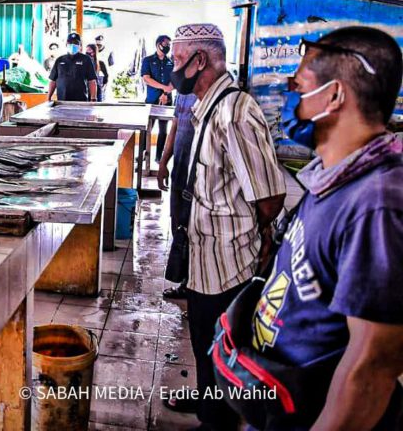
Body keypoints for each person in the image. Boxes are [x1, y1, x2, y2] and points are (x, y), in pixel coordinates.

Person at [246, 27, 403, 430]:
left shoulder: (378, 204)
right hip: (282, 401)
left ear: (334, 96)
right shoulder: (334, 177)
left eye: (300, 85)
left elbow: (371, 368)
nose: (290, 96)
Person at [166, 23, 286, 430]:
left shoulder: (235, 111)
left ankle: (218, 419)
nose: (173, 68)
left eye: (178, 60)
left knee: (222, 345)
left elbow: (269, 198)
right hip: (206, 257)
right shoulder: (208, 108)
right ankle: (207, 403)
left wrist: (249, 235)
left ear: (200, 60)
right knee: (203, 341)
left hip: (229, 261)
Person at [156, 92, 198, 300]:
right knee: (178, 228)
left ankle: (198, 288)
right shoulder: (182, 94)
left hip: (199, 179)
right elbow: (174, 128)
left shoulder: (210, 95)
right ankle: (186, 282)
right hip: (179, 172)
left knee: (197, 233)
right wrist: (163, 162)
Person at [141, 35, 174, 163]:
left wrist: (166, 92)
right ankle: (143, 154)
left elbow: (174, 80)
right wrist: (163, 88)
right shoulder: (148, 60)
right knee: (147, 128)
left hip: (166, 100)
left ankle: (159, 157)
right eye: (165, 44)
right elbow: (147, 78)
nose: (167, 47)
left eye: (169, 45)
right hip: (151, 99)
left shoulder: (171, 62)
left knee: (163, 130)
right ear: (158, 44)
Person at [47, 33, 97, 103]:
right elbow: (53, 81)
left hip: (81, 102)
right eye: (70, 42)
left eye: (75, 43)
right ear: (66, 44)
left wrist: (93, 99)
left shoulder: (86, 59)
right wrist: (48, 97)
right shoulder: (59, 60)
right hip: (62, 101)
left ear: (80, 45)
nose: (72, 45)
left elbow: (92, 81)